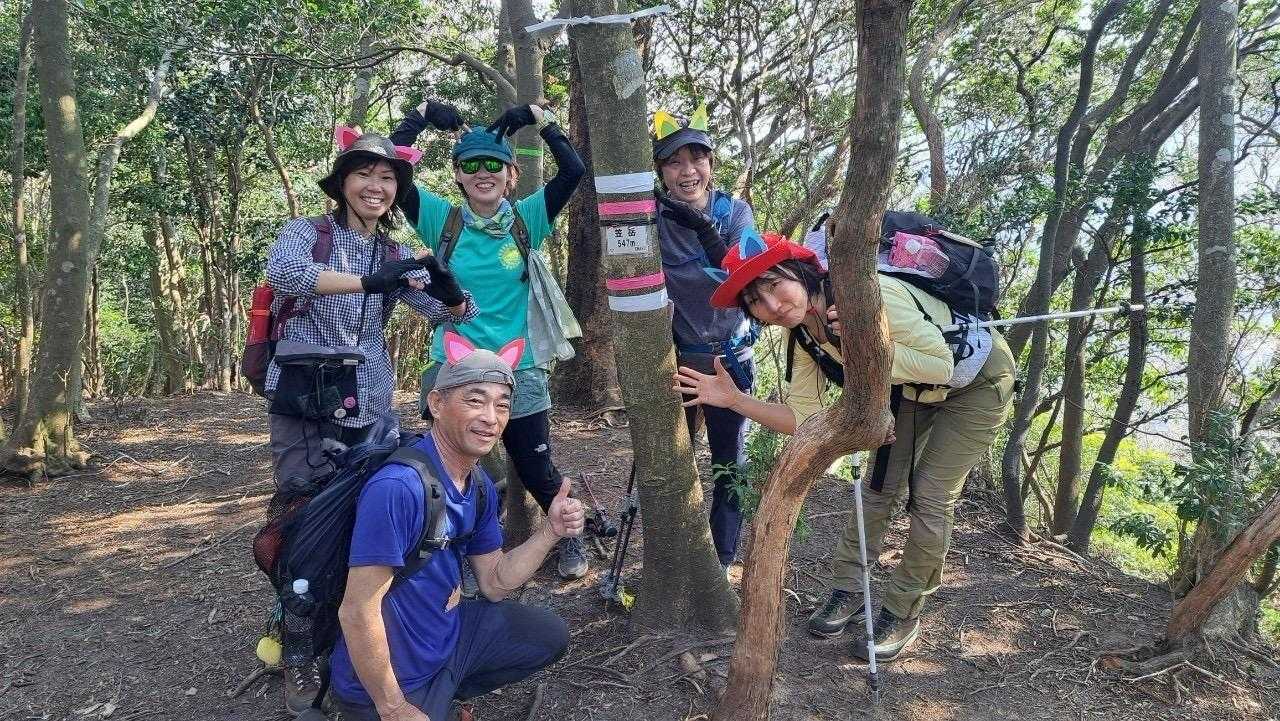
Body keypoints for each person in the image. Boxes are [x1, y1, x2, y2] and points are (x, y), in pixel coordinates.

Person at [673, 229, 1015, 662]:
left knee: (930, 495)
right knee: (878, 488)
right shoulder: (803, 336)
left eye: (775, 285)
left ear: (800, 271)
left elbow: (940, 365)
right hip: (912, 392)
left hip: (977, 381)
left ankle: (902, 610)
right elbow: (804, 419)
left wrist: (865, 344)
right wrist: (736, 400)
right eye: (756, 301)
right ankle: (848, 589)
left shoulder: (872, 295)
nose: (772, 305)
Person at [265, 128, 478, 713]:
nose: (375, 186)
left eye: (387, 177)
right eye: (364, 174)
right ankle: (299, 641)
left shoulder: (393, 253)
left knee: (369, 517)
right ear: (342, 184)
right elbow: (284, 274)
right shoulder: (308, 233)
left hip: (373, 401)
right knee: (304, 519)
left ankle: (362, 628)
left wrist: (451, 292)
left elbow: (453, 314)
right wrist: (367, 282)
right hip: (307, 401)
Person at [331, 333, 582, 721]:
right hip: (397, 672)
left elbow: (494, 582)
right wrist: (393, 706)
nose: (491, 418)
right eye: (475, 401)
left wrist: (550, 532)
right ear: (436, 403)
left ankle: (449, 690)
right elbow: (357, 611)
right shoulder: (399, 488)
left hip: (447, 636)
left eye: (502, 405)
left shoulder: (477, 484)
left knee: (547, 635)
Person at [390, 100, 589, 580]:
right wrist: (419, 115)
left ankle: (568, 535)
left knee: (536, 466)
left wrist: (540, 118)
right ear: (458, 175)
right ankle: (454, 543)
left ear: (511, 175)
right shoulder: (442, 220)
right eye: (472, 165)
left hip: (518, 365)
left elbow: (573, 171)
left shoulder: (526, 220)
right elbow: (393, 172)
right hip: (454, 362)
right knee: (450, 462)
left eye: (494, 165)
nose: (484, 173)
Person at [651, 105, 761, 574]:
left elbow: (743, 275)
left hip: (729, 359)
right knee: (672, 461)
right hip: (675, 358)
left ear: (711, 164)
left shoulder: (734, 212)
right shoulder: (651, 218)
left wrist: (701, 226)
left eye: (697, 158)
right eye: (674, 162)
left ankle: (721, 559)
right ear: (661, 172)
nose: (687, 171)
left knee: (729, 465)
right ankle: (677, 550)